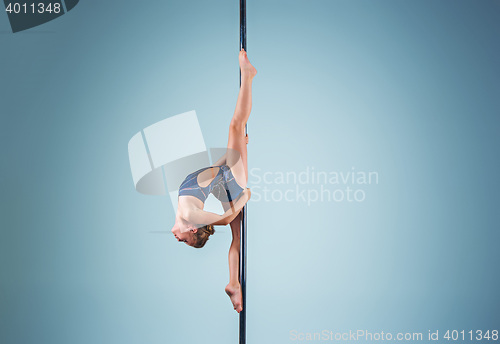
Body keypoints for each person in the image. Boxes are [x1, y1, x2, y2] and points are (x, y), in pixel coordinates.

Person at [171, 49, 257, 313]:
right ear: (193, 230)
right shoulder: (191, 214)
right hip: (232, 185)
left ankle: (234, 284)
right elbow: (221, 219)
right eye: (186, 240)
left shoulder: (182, 202)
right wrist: (244, 197)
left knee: (236, 239)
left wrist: (231, 152)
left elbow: (210, 171)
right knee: (235, 125)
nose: (179, 240)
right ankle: (248, 75)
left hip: (223, 181)